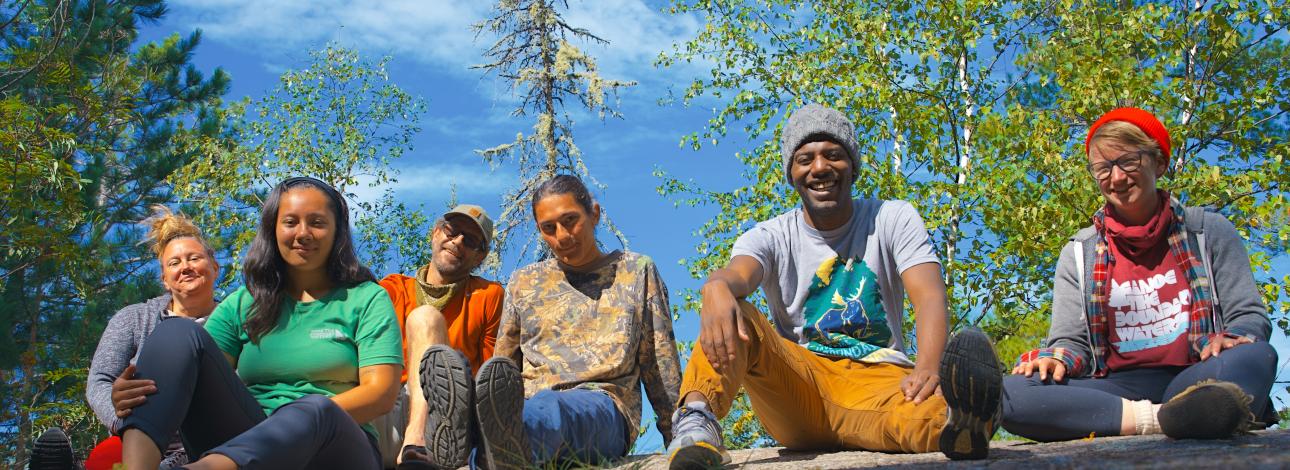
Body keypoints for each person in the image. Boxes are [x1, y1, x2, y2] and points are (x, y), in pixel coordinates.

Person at [664, 103, 1003, 469]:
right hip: (800, 385)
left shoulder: (892, 218)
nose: (820, 167)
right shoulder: (770, 235)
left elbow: (930, 297)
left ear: (853, 166)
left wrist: (929, 367)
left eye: (833, 155)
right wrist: (715, 287)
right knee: (736, 310)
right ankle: (696, 423)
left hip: (882, 384)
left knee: (927, 417)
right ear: (791, 173)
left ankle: (964, 423)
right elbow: (739, 274)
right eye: (805, 158)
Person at [1002, 107, 1278, 441]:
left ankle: (1203, 407)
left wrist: (1233, 336)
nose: (1116, 178)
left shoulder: (1209, 230)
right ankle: (1178, 419)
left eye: (1128, 161)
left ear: (1159, 163)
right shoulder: (1078, 253)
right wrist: (1053, 359)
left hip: (1200, 374)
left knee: (1255, 355)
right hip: (1114, 390)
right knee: (1011, 391)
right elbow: (1071, 342)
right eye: (1103, 168)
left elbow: (1248, 316)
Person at [115, 176, 403, 470]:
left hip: (337, 448)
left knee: (315, 407)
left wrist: (293, 425)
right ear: (273, 230)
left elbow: (380, 394)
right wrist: (136, 391)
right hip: (251, 440)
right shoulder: (244, 303)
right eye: (290, 222)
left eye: (317, 222)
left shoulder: (366, 298)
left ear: (336, 232)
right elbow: (193, 368)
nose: (303, 233)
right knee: (175, 332)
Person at [462, 174, 682, 468]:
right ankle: (480, 439)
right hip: (529, 403)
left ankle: (480, 435)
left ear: (594, 214)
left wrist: (678, 439)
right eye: (549, 228)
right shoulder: (524, 282)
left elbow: (660, 364)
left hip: (605, 407)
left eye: (570, 220)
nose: (562, 236)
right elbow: (503, 368)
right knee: (519, 416)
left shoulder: (635, 270)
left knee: (551, 411)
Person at [85, 206, 221, 468]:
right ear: (165, 280)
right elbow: (100, 380)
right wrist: (122, 417)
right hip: (144, 435)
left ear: (214, 267)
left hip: (217, 437)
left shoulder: (239, 322)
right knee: (104, 458)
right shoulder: (134, 319)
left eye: (194, 258)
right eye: (174, 263)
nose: (185, 268)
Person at [372, 205, 504, 469]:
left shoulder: (488, 296)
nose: (457, 242)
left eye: (470, 240)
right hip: (390, 410)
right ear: (435, 233)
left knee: (426, 319)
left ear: (480, 256)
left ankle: (419, 441)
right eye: (452, 231)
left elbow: (491, 373)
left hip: (447, 419)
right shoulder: (392, 289)